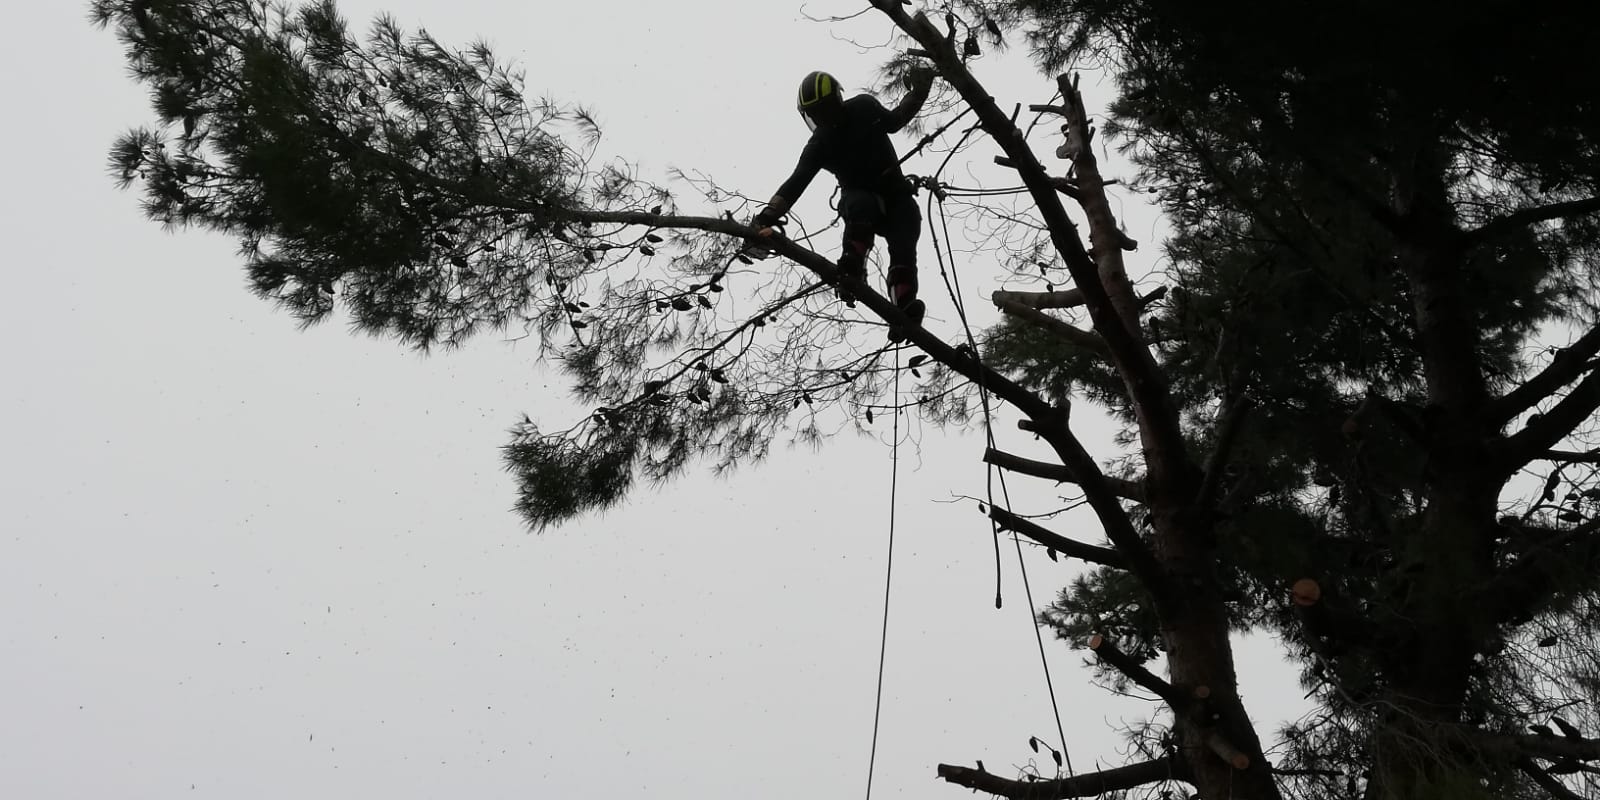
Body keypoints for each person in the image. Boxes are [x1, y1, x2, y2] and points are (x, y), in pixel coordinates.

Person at [753, 68, 934, 339]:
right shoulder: (820, 143)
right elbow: (796, 182)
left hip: (897, 199)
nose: (823, 118)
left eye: (824, 110)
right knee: (861, 203)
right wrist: (768, 215)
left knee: (905, 235)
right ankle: (853, 264)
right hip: (860, 200)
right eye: (816, 114)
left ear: (837, 101)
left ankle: (903, 306)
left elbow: (896, 119)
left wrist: (919, 92)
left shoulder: (863, 108)